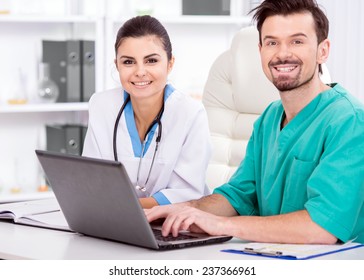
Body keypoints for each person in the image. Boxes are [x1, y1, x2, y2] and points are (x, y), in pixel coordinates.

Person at [146, 0, 364, 244]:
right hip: (272, 256)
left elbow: (322, 227)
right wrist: (182, 211)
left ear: (323, 50)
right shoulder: (269, 118)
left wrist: (220, 224)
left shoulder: (350, 122)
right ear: (260, 50)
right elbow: (238, 195)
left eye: (297, 41)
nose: (282, 54)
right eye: (272, 42)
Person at [82, 15, 211, 209]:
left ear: (170, 64)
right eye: (128, 62)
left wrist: (128, 208)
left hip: (173, 222)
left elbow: (187, 192)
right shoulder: (101, 105)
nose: (140, 71)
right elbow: (89, 177)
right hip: (113, 221)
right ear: (116, 65)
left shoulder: (190, 113)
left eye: (151, 61)